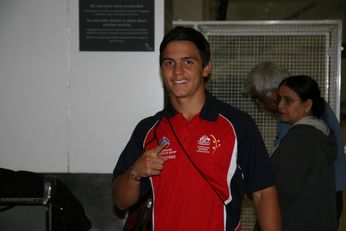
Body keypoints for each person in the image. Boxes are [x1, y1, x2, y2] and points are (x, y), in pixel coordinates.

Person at [112, 26, 281, 231]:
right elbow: (120, 201)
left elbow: (263, 193)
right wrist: (136, 171)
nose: (177, 71)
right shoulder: (149, 129)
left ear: (206, 67)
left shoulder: (237, 124)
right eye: (169, 63)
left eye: (188, 62)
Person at [244, 62, 346, 227]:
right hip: (322, 201)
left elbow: (284, 180)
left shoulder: (301, 132)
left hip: (307, 205)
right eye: (279, 100)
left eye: (260, 99)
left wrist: (253, 188)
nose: (260, 105)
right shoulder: (309, 120)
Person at [271, 75, 337, 230]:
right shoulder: (319, 132)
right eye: (279, 99)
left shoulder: (301, 139)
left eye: (288, 100)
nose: (280, 105)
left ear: (307, 104)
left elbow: (280, 187)